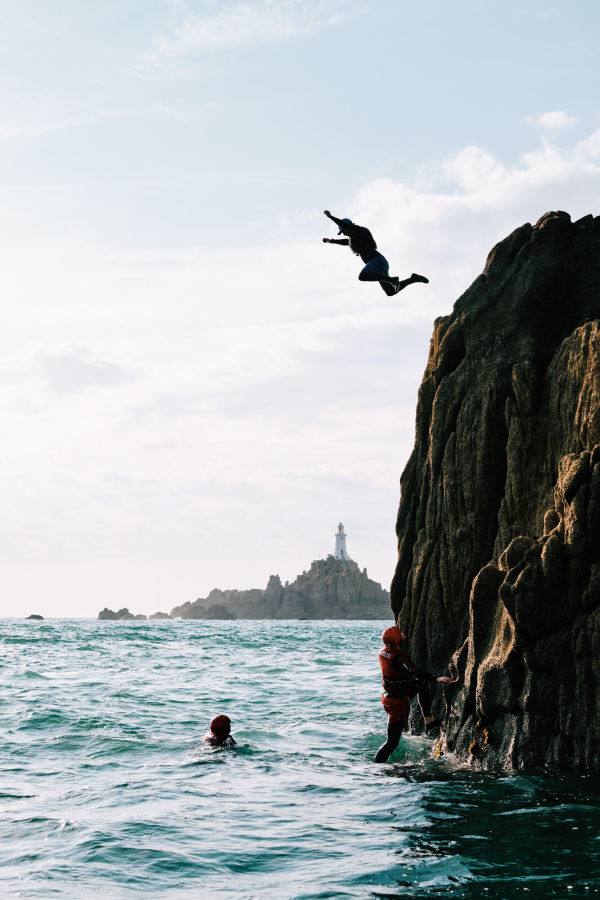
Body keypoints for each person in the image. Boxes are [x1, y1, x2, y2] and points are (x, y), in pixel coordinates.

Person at [374, 625, 453, 763]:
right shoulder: (399, 657)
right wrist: (436, 678)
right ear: (398, 641)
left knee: (421, 684)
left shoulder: (382, 652)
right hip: (396, 703)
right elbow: (414, 671)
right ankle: (376, 768)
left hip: (389, 697)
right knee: (392, 743)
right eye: (401, 638)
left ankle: (428, 720)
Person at [322, 210, 429, 297]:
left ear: (348, 226)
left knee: (363, 276)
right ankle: (413, 279)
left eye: (343, 231)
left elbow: (344, 225)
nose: (344, 234)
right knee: (390, 292)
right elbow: (347, 242)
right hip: (378, 266)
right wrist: (331, 241)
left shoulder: (360, 231)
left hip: (377, 261)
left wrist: (330, 217)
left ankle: (392, 279)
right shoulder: (353, 238)